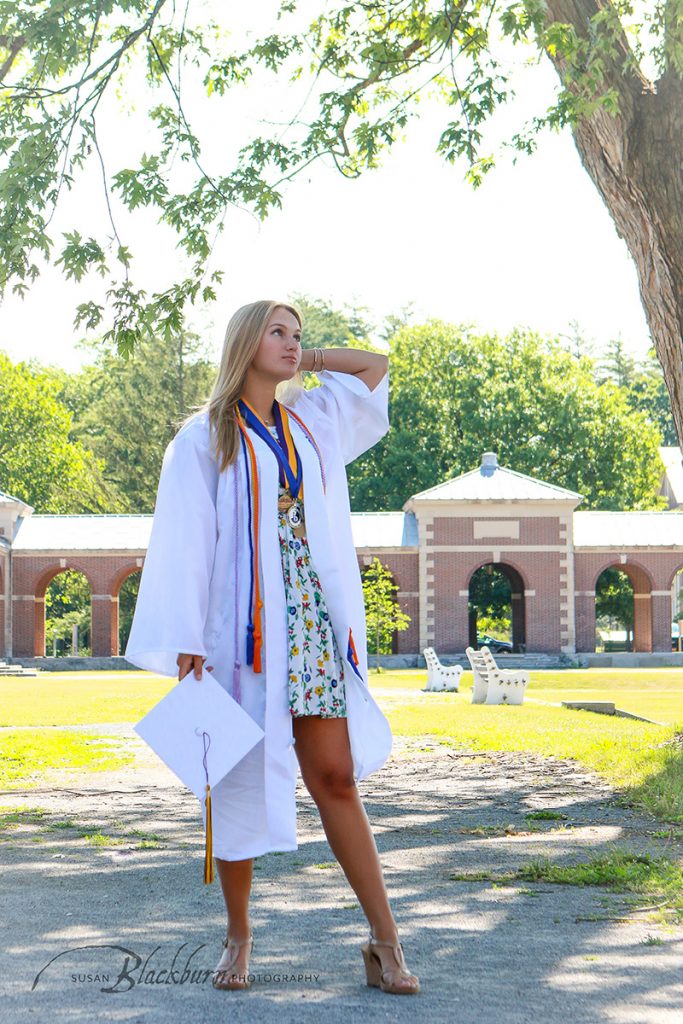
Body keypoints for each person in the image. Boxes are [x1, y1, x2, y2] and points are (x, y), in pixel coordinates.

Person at [125, 299, 420, 995]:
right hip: (240, 635)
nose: (292, 343)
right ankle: (238, 935)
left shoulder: (310, 423)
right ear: (243, 342)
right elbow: (183, 540)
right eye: (277, 333)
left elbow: (374, 370)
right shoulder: (203, 439)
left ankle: (385, 941)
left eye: (298, 335)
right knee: (233, 778)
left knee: (336, 779)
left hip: (311, 627)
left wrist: (307, 365)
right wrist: (188, 639)